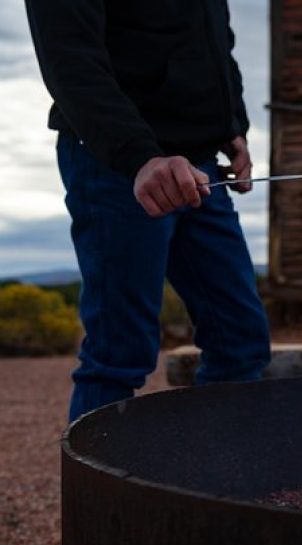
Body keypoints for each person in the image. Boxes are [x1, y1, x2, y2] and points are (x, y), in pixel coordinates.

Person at [25, 0, 271, 421]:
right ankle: (97, 488)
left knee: (240, 342)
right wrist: (139, 157)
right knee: (118, 354)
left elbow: (215, 39)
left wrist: (233, 124)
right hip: (118, 166)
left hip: (199, 165)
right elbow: (69, 59)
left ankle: (212, 482)